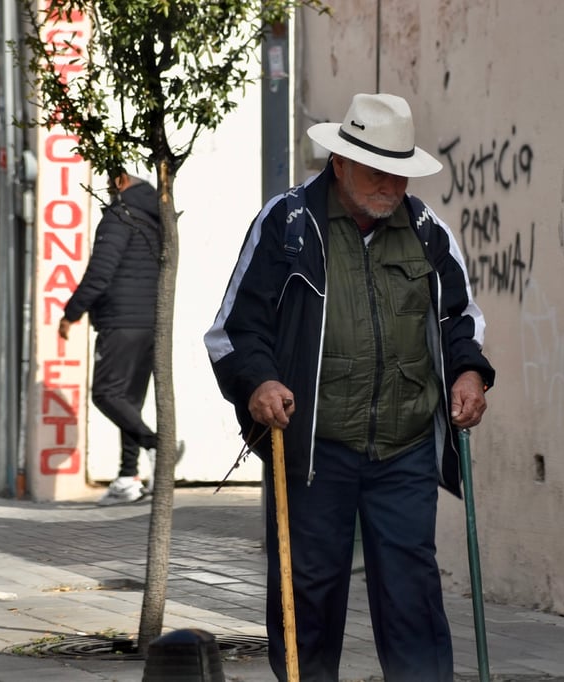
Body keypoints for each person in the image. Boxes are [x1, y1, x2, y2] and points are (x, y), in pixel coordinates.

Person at [204, 93, 495, 681]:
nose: (390, 185)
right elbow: (235, 330)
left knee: (413, 594)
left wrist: (469, 373)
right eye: (376, 171)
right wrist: (258, 382)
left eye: (400, 172)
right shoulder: (288, 225)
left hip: (405, 445)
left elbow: (460, 319)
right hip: (315, 448)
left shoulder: (424, 231)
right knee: (308, 596)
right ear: (339, 163)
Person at [59, 170, 161, 506]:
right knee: (128, 402)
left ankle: (158, 445)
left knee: (105, 394)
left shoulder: (122, 215)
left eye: (109, 183)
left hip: (120, 322)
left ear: (121, 181)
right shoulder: (157, 218)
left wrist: (71, 313)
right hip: (150, 323)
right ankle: (127, 478)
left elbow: (101, 273)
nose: (108, 190)